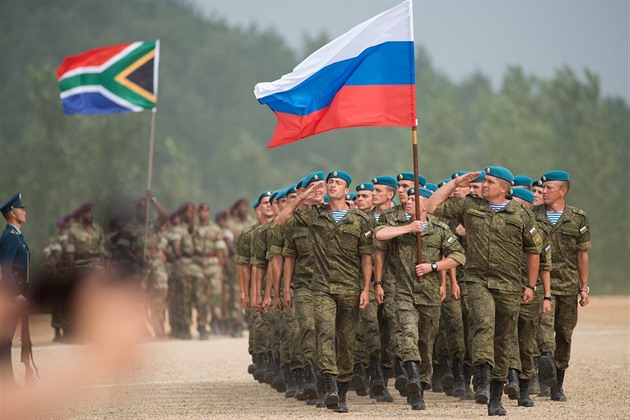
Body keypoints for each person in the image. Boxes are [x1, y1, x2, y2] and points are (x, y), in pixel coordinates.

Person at [426, 167, 543, 416]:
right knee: (483, 323)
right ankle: (482, 379)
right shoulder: (469, 206)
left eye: (490, 182)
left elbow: (534, 251)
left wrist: (531, 285)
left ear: (504, 188)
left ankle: (496, 394)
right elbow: (430, 205)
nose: (484, 185)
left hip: (510, 285)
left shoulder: (521, 213)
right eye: (484, 181)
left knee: (503, 339)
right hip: (477, 281)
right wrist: (456, 181)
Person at [276, 170, 374, 413]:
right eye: (330, 182)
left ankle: (340, 391)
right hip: (321, 288)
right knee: (325, 334)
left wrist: (366, 288)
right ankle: (329, 385)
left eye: (337, 182)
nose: (332, 185)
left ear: (346, 190)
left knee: (346, 340)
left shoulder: (360, 219)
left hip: (350, 288)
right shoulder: (313, 216)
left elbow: (366, 257)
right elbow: (281, 220)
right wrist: (302, 197)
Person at [375, 187, 466, 410]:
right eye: (408, 197)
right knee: (407, 335)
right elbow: (379, 234)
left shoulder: (439, 228)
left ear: (426, 204)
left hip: (429, 296)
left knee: (425, 343)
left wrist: (433, 266)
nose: (408, 201)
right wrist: (408, 227)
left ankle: (421, 383)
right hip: (404, 294)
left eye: (415, 199)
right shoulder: (399, 227)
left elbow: (458, 256)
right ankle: (412, 376)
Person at [533, 170, 591, 402]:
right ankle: (545, 362)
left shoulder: (577, 217)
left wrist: (584, 287)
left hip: (567, 285)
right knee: (544, 331)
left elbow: (582, 254)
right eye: (543, 188)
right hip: (540, 286)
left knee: (564, 335)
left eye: (548, 188)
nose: (543, 191)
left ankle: (557, 383)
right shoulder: (532, 215)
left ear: (563, 191)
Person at [0, 193, 30, 389]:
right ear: (12, 213)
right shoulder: (10, 237)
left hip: (19, 293)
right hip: (12, 294)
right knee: (5, 339)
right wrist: (16, 294)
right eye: (21, 208)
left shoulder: (17, 235)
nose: (24, 211)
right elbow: (6, 268)